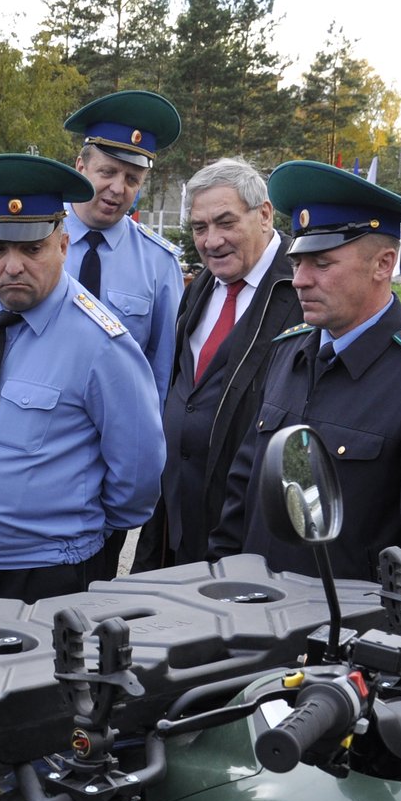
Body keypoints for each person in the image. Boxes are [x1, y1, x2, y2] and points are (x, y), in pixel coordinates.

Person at [211, 161, 401, 642]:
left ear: (383, 264)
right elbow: (241, 497)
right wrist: (219, 600)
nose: (300, 280)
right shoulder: (289, 352)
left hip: (345, 651)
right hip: (253, 629)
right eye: (297, 262)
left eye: (322, 264)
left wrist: (383, 657)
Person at [0, 154, 162, 609]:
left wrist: (76, 530)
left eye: (31, 249)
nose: (12, 266)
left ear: (63, 245)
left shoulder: (101, 343)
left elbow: (138, 475)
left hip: (47, 575)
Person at [133, 158, 301, 572]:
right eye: (199, 227)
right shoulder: (203, 285)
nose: (211, 241)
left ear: (264, 214)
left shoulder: (301, 291)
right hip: (177, 518)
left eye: (225, 223)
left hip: (248, 527)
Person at [62, 90, 185, 397]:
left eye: (132, 179)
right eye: (108, 172)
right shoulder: (33, 238)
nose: (118, 188)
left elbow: (164, 368)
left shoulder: (158, 262)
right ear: (80, 168)